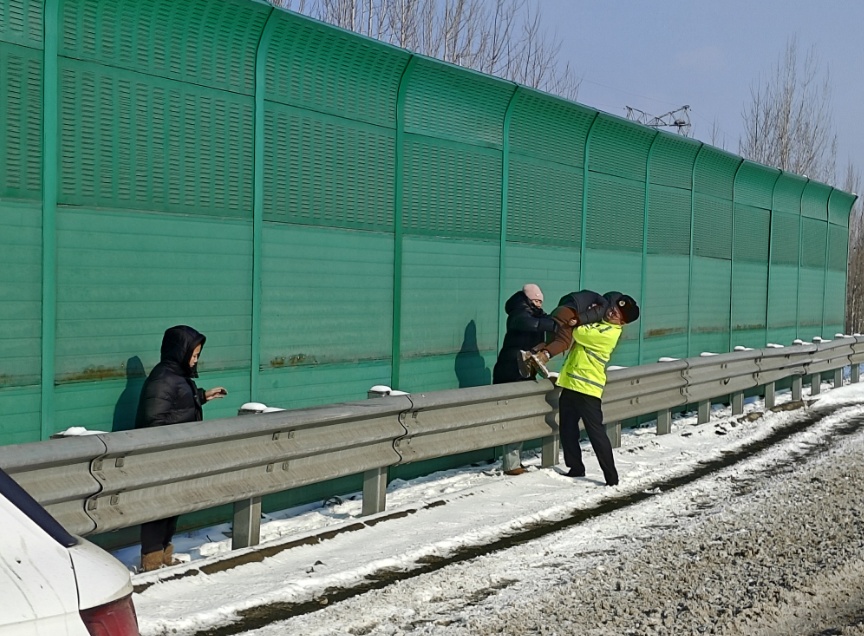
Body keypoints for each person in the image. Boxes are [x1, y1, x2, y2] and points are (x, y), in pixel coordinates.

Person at [135, 325, 227, 571]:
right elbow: (154, 420)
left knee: (171, 507)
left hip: (174, 454)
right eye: (193, 355)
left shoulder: (175, 376)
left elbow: (177, 406)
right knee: (158, 509)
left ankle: (164, 556)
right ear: (179, 351)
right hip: (160, 455)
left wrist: (201, 397)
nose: (196, 360)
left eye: (197, 355)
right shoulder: (163, 379)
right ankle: (151, 561)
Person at [555, 292, 640, 486]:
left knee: (596, 433)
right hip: (570, 384)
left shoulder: (609, 334)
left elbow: (579, 332)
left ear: (623, 322)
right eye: (613, 308)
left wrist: (583, 318)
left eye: (617, 313)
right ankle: (575, 467)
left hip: (588, 389)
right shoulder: (601, 324)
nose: (612, 312)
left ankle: (611, 477)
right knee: (567, 430)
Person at [492, 284, 557, 475]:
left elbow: (542, 321)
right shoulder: (519, 313)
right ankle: (511, 465)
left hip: (523, 372)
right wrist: (553, 324)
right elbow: (529, 324)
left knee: (520, 418)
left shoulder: (534, 313)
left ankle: (514, 462)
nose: (538, 304)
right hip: (511, 372)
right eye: (535, 300)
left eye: (540, 301)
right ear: (527, 299)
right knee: (515, 418)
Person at [518, 289, 612, 379]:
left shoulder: (591, 296)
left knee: (552, 342)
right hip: (569, 314)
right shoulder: (604, 304)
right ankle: (542, 358)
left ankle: (530, 354)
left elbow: (566, 298)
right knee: (563, 342)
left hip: (559, 310)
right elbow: (594, 314)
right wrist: (578, 319)